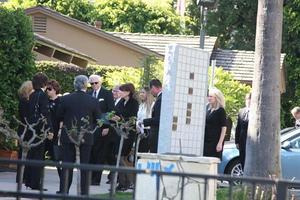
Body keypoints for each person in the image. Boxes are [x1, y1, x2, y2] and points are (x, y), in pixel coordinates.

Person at [56, 75, 101, 195]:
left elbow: (59, 115)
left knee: (67, 165)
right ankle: (84, 192)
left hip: (69, 136)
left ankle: (63, 190)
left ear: (74, 84)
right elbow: (98, 119)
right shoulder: (93, 100)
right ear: (86, 85)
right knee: (84, 165)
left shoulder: (65, 99)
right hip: (86, 136)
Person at [24, 72, 53, 191]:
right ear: (44, 83)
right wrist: (49, 129)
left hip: (31, 128)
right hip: (40, 129)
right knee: (38, 157)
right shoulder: (43, 95)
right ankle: (35, 183)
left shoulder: (32, 94)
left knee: (31, 155)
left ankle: (29, 180)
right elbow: (45, 113)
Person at [88, 74, 115, 186]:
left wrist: (107, 126)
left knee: (100, 154)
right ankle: (90, 177)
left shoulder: (107, 94)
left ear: (100, 82)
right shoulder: (88, 94)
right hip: (90, 127)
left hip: (102, 127)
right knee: (90, 153)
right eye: (92, 83)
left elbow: (111, 111)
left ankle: (96, 179)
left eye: (96, 83)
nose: (94, 85)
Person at [113, 83, 139, 191]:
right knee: (118, 156)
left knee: (121, 156)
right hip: (120, 132)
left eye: (122, 91)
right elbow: (116, 112)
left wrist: (120, 119)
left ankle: (129, 182)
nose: (120, 93)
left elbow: (132, 118)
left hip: (129, 133)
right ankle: (123, 183)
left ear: (128, 92)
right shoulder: (121, 102)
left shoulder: (134, 103)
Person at [16, 80, 33, 183]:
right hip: (26, 130)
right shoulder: (25, 101)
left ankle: (21, 177)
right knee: (24, 154)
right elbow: (26, 116)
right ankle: (22, 177)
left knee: (22, 154)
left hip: (22, 129)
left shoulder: (22, 100)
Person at [45, 79, 62, 178]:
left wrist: (59, 130)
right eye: (46, 89)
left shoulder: (60, 101)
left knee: (56, 156)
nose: (47, 91)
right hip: (45, 131)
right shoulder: (45, 101)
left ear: (55, 89)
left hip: (55, 131)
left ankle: (62, 177)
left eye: (49, 89)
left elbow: (62, 118)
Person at [203, 88, 227, 160]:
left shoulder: (221, 111)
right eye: (208, 96)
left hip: (215, 142)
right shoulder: (207, 108)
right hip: (206, 140)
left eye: (211, 96)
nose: (209, 98)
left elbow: (224, 128)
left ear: (216, 98)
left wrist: (220, 143)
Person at [143, 79, 162, 153]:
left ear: (153, 87)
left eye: (151, 89)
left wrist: (144, 121)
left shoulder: (160, 99)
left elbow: (158, 119)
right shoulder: (159, 98)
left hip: (156, 134)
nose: (151, 92)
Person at [235, 93, 251, 170]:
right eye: (247, 99)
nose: (248, 101)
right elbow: (238, 127)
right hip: (242, 140)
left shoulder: (256, 112)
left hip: (251, 140)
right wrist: (236, 141)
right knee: (242, 159)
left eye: (250, 99)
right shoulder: (241, 111)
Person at [136, 87, 154, 152]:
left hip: (148, 132)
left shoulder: (152, 104)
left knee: (143, 152)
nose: (141, 94)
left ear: (148, 94)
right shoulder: (141, 105)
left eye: (143, 92)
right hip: (140, 131)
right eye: (140, 92)